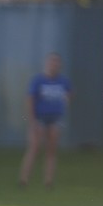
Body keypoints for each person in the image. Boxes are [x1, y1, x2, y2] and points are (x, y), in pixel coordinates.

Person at [18, 52, 71, 188]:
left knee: (51, 150)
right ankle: (23, 179)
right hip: (39, 118)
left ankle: (48, 181)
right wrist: (32, 121)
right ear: (47, 63)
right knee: (34, 147)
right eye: (52, 61)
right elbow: (30, 100)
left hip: (55, 119)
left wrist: (62, 107)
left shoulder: (63, 81)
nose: (55, 64)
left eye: (57, 62)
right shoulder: (38, 80)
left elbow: (69, 95)